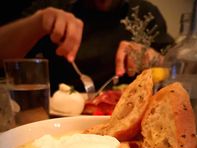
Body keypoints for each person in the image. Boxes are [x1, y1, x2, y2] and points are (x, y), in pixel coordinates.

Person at [0, 0, 174, 94]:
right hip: (57, 122)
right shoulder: (54, 5)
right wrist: (38, 22)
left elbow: (177, 68)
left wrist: (156, 59)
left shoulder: (146, 13)